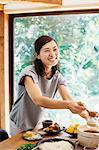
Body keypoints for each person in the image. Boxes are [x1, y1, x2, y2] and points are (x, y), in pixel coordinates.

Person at [10, 35, 89, 136]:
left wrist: (87, 116)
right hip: (19, 124)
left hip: (37, 123)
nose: (52, 54)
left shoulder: (56, 75)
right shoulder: (29, 73)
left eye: (55, 49)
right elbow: (38, 100)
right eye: (47, 50)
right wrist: (69, 105)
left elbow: (68, 99)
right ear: (37, 55)